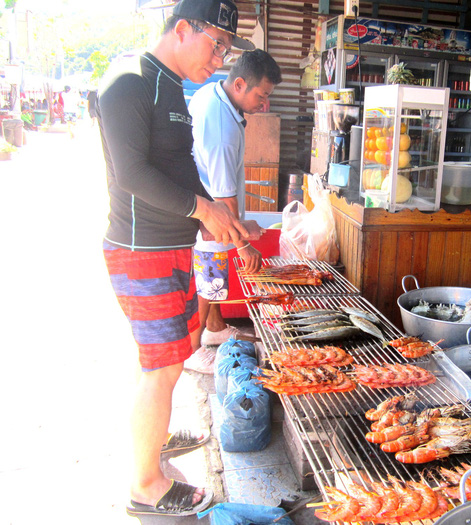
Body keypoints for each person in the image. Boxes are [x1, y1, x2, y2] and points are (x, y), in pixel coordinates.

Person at [97, 0, 257, 517]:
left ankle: (155, 436)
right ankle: (146, 486)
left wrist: (225, 222)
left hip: (173, 247)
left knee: (180, 348)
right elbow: (131, 174)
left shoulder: (173, 86)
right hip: (140, 252)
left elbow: (182, 166)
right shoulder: (128, 81)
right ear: (182, 29)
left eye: (228, 50)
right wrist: (203, 209)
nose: (221, 59)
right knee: (162, 369)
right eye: (217, 45)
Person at [185, 49, 282, 373]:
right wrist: (243, 244)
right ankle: (192, 348)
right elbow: (226, 199)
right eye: (262, 95)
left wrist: (241, 228)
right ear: (240, 84)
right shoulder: (223, 130)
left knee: (211, 270)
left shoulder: (212, 93)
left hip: (203, 197)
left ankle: (215, 329)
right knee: (209, 275)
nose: (265, 104)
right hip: (208, 208)